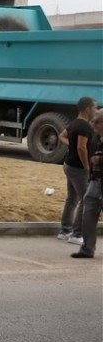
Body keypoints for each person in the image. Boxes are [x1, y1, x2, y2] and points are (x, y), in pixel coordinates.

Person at [58, 97, 97, 246]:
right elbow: (82, 147)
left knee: (72, 198)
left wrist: (72, 145)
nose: (96, 109)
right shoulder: (84, 126)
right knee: (86, 200)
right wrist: (87, 167)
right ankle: (76, 234)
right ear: (87, 109)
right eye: (95, 107)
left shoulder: (74, 123)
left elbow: (62, 136)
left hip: (69, 165)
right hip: (79, 169)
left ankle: (65, 231)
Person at [72, 109, 103, 259]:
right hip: (95, 182)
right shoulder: (96, 138)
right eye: (93, 121)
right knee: (88, 214)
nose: (93, 124)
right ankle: (87, 248)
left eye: (97, 122)